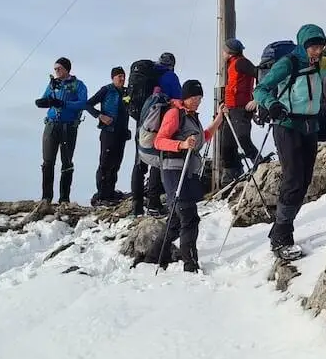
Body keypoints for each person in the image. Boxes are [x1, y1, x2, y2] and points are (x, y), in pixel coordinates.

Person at [253, 24, 326, 260]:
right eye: (313, 47)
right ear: (303, 45)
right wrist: (273, 104)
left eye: (319, 46)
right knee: (293, 179)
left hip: (310, 126)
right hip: (287, 126)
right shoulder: (288, 63)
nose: (317, 51)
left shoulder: (319, 63)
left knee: (305, 181)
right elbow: (261, 90)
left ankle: (279, 229)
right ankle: (282, 238)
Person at [140, 79, 226, 272]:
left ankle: (153, 258)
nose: (197, 101)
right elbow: (159, 141)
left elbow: (204, 136)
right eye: (194, 97)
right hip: (173, 171)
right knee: (189, 217)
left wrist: (219, 117)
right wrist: (181, 144)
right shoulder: (174, 113)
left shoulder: (191, 117)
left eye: (200, 98)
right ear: (185, 97)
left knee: (176, 221)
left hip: (186, 172)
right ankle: (190, 264)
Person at [131, 52, 181, 216]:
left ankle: (136, 206)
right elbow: (179, 99)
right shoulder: (170, 77)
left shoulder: (148, 75)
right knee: (157, 161)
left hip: (142, 123)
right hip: (159, 124)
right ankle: (153, 204)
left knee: (139, 162)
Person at [34, 57, 88, 206]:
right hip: (51, 124)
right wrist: (43, 102)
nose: (56, 71)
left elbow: (83, 103)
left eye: (59, 68)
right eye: (55, 69)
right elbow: (45, 98)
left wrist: (64, 103)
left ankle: (64, 198)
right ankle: (46, 197)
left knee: (66, 161)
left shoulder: (78, 85)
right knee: (48, 161)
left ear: (66, 69)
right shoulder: (53, 84)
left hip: (68, 127)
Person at [85, 65, 132, 205]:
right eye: (119, 76)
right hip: (108, 132)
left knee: (116, 163)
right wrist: (100, 116)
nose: (122, 79)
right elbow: (87, 104)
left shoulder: (126, 92)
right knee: (105, 164)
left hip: (121, 133)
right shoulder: (106, 90)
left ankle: (110, 193)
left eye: (124, 76)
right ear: (113, 78)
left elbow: (130, 107)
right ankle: (101, 195)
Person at [218, 38, 261, 184]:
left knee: (243, 139)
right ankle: (230, 177)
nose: (222, 53)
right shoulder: (233, 63)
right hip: (231, 109)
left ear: (229, 52)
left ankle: (259, 165)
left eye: (224, 51)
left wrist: (256, 99)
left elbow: (259, 74)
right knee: (227, 145)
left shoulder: (241, 62)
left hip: (240, 109)